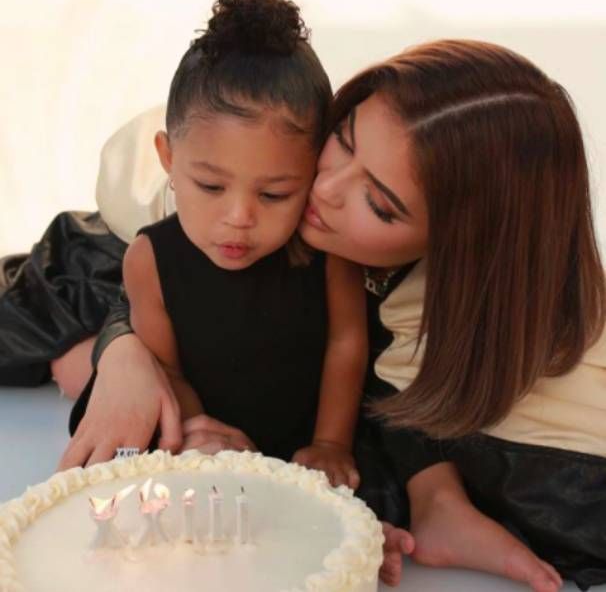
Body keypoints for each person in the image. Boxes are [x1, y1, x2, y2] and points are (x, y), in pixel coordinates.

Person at [61, 39, 606, 591]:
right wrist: (122, 352)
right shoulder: (243, 181)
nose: (322, 189)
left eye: (380, 204)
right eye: (341, 143)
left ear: (457, 248)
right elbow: (127, 263)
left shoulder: (458, 334)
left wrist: (432, 497)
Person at [119, 0, 367, 487]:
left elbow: (346, 344)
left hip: (306, 458)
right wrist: (199, 431)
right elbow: (166, 369)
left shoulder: (327, 254)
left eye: (274, 194)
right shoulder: (149, 259)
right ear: (168, 158)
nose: (239, 217)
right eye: (210, 185)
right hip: (208, 467)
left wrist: (331, 444)